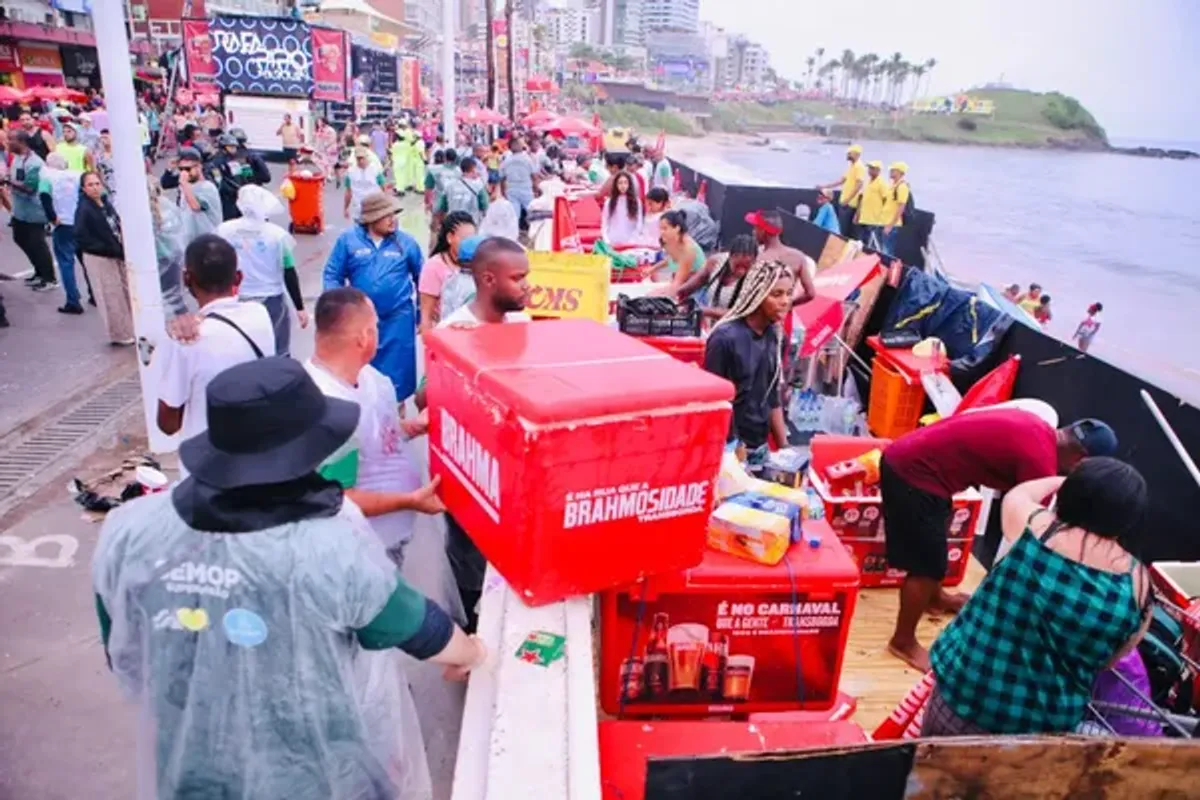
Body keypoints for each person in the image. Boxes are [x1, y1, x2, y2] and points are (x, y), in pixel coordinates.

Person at [93, 356, 487, 799]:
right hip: (313, 774)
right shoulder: (328, 545)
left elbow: (124, 652)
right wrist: (471, 652)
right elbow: (416, 626)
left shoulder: (129, 530)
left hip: (190, 770)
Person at [924, 458, 1151, 736]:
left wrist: (1062, 481)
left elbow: (1019, 494)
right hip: (1040, 729)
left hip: (966, 693)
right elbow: (1112, 659)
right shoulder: (1138, 584)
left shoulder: (1036, 528)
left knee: (931, 776)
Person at [879, 410, 1120, 671]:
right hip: (913, 473)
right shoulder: (1039, 462)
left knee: (934, 547)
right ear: (1080, 461)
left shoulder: (1038, 427)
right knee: (926, 565)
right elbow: (1034, 529)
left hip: (920, 463)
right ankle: (903, 641)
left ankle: (935, 599)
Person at [306, 288, 445, 570]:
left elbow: (379, 435)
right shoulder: (330, 408)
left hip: (392, 533)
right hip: (366, 548)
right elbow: (338, 498)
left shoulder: (370, 378)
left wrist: (410, 428)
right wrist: (410, 500)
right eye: (376, 327)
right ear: (364, 337)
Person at [438, 237, 531, 631]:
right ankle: (472, 631)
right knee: (472, 565)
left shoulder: (522, 323)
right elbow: (428, 398)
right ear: (489, 280)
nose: (528, 285)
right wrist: (457, 355)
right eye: (518, 278)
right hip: (472, 477)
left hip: (513, 474)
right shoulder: (454, 330)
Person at [157, 234, 275, 448]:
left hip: (206, 466)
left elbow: (168, 424)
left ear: (186, 279)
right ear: (238, 278)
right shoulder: (260, 315)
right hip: (256, 454)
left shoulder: (186, 339)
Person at [324, 191, 424, 401]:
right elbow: (333, 274)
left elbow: (421, 278)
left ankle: (397, 414)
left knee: (398, 375)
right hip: (361, 320)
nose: (393, 219)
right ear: (371, 218)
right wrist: (336, 310)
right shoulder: (348, 241)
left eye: (394, 214)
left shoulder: (406, 243)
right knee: (363, 371)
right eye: (387, 215)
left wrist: (421, 314)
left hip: (398, 319)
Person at [702, 260, 794, 465]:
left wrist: (785, 449)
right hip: (728, 452)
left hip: (760, 449)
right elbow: (716, 404)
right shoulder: (724, 339)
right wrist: (732, 448)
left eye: (789, 293)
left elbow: (772, 396)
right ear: (757, 295)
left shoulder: (776, 336)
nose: (785, 301)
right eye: (776, 294)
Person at [216, 185, 308, 357]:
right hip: (271, 298)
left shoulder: (225, 231)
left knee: (244, 347)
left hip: (238, 296)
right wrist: (299, 307)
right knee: (278, 349)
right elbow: (289, 270)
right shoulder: (277, 235)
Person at [74, 170, 134, 345]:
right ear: (84, 189)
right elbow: (80, 236)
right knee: (110, 294)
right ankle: (120, 333)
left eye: (97, 183)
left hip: (116, 253)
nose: (94, 188)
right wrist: (105, 248)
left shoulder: (105, 203)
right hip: (99, 257)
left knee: (124, 291)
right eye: (90, 185)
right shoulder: (84, 209)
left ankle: (130, 327)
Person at [8, 132, 58, 292]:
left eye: (11, 140)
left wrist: (8, 181)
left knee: (37, 244)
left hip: (34, 212)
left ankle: (49, 278)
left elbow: (30, 189)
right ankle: (38, 271)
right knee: (20, 239)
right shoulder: (17, 158)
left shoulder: (35, 163)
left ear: (22, 142)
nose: (8, 142)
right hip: (20, 211)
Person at [671, 234, 758, 323]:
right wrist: (674, 299)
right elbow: (688, 288)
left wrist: (705, 311)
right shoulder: (715, 263)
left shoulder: (756, 278)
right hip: (712, 328)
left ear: (754, 262)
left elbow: (740, 313)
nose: (741, 271)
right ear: (730, 257)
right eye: (737, 266)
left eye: (746, 267)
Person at [38, 152, 86, 314]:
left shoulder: (46, 178)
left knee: (66, 263)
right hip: (80, 222)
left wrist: (52, 217)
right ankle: (94, 294)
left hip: (63, 223)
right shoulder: (76, 175)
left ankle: (73, 300)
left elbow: (44, 197)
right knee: (86, 260)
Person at [419, 211, 477, 333]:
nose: (469, 244)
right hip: (445, 333)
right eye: (465, 239)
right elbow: (426, 316)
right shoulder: (434, 267)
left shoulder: (479, 263)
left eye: (473, 239)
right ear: (450, 238)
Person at [745, 209, 817, 307]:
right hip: (784, 317)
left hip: (762, 318)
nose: (753, 232)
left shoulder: (759, 259)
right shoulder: (798, 256)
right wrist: (787, 305)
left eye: (755, 228)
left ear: (763, 231)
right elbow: (810, 294)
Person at [174, 147, 222, 244]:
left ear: (199, 167)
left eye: (188, 169)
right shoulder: (186, 187)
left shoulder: (207, 187)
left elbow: (196, 206)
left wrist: (184, 184)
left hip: (209, 242)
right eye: (181, 169)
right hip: (191, 242)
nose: (184, 173)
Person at [817, 144, 866, 239]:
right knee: (841, 229)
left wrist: (847, 200)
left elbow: (859, 185)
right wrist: (824, 186)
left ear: (856, 154)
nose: (847, 155)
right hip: (844, 202)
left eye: (849, 153)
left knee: (844, 231)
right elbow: (841, 181)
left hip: (850, 204)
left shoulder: (859, 167)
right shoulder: (852, 166)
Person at [657, 210, 706, 292]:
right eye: (660, 228)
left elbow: (678, 283)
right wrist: (652, 269)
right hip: (683, 286)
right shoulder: (674, 243)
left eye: (665, 228)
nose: (661, 232)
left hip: (695, 292)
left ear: (677, 228)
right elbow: (671, 260)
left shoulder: (688, 249)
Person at [209, 134, 255, 221]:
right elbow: (219, 181)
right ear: (223, 147)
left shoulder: (238, 158)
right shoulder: (217, 162)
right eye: (231, 146)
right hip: (227, 199)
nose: (234, 149)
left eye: (235, 146)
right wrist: (233, 191)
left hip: (241, 195)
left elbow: (246, 175)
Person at [500, 137, 537, 231]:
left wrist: (503, 191)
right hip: (526, 189)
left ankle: (514, 233)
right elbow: (534, 175)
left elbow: (502, 177)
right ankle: (534, 231)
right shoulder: (527, 159)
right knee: (531, 212)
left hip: (512, 189)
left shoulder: (506, 160)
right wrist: (536, 188)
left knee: (514, 214)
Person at [439, 156, 489, 226]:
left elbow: (442, 207)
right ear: (473, 170)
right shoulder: (479, 187)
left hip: (452, 224)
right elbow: (485, 205)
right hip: (471, 224)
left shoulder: (449, 186)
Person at [601, 171, 644, 247]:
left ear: (629, 184)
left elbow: (639, 224)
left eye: (625, 183)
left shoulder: (636, 201)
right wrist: (606, 240)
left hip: (630, 241)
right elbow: (605, 222)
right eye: (620, 183)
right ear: (616, 185)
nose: (623, 186)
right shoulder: (609, 202)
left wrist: (633, 241)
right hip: (612, 240)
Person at [854, 160, 889, 250]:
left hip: (874, 221)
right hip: (864, 218)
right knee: (861, 244)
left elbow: (886, 200)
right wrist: (857, 214)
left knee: (874, 245)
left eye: (872, 168)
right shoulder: (867, 182)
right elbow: (862, 199)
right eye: (869, 168)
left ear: (878, 170)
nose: (870, 170)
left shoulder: (882, 183)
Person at [344, 146, 386, 222]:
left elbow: (383, 187)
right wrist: (346, 208)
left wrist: (385, 205)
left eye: (362, 158)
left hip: (373, 208)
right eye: (358, 158)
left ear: (367, 157)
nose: (361, 161)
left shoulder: (375, 169)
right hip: (359, 210)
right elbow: (348, 191)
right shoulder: (350, 172)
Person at [479, 173, 519, 242]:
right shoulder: (505, 204)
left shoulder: (499, 205)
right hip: (505, 243)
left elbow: (486, 229)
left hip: (496, 244)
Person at [881, 161, 910, 257]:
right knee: (883, 250)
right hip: (886, 222)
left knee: (887, 252)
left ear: (900, 172)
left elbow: (901, 207)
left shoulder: (902, 187)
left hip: (892, 225)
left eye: (893, 170)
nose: (891, 171)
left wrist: (890, 225)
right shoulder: (894, 186)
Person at [93, 129, 116, 200]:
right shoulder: (99, 157)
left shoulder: (118, 155)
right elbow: (97, 171)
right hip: (107, 187)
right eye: (102, 138)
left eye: (106, 138)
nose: (103, 140)